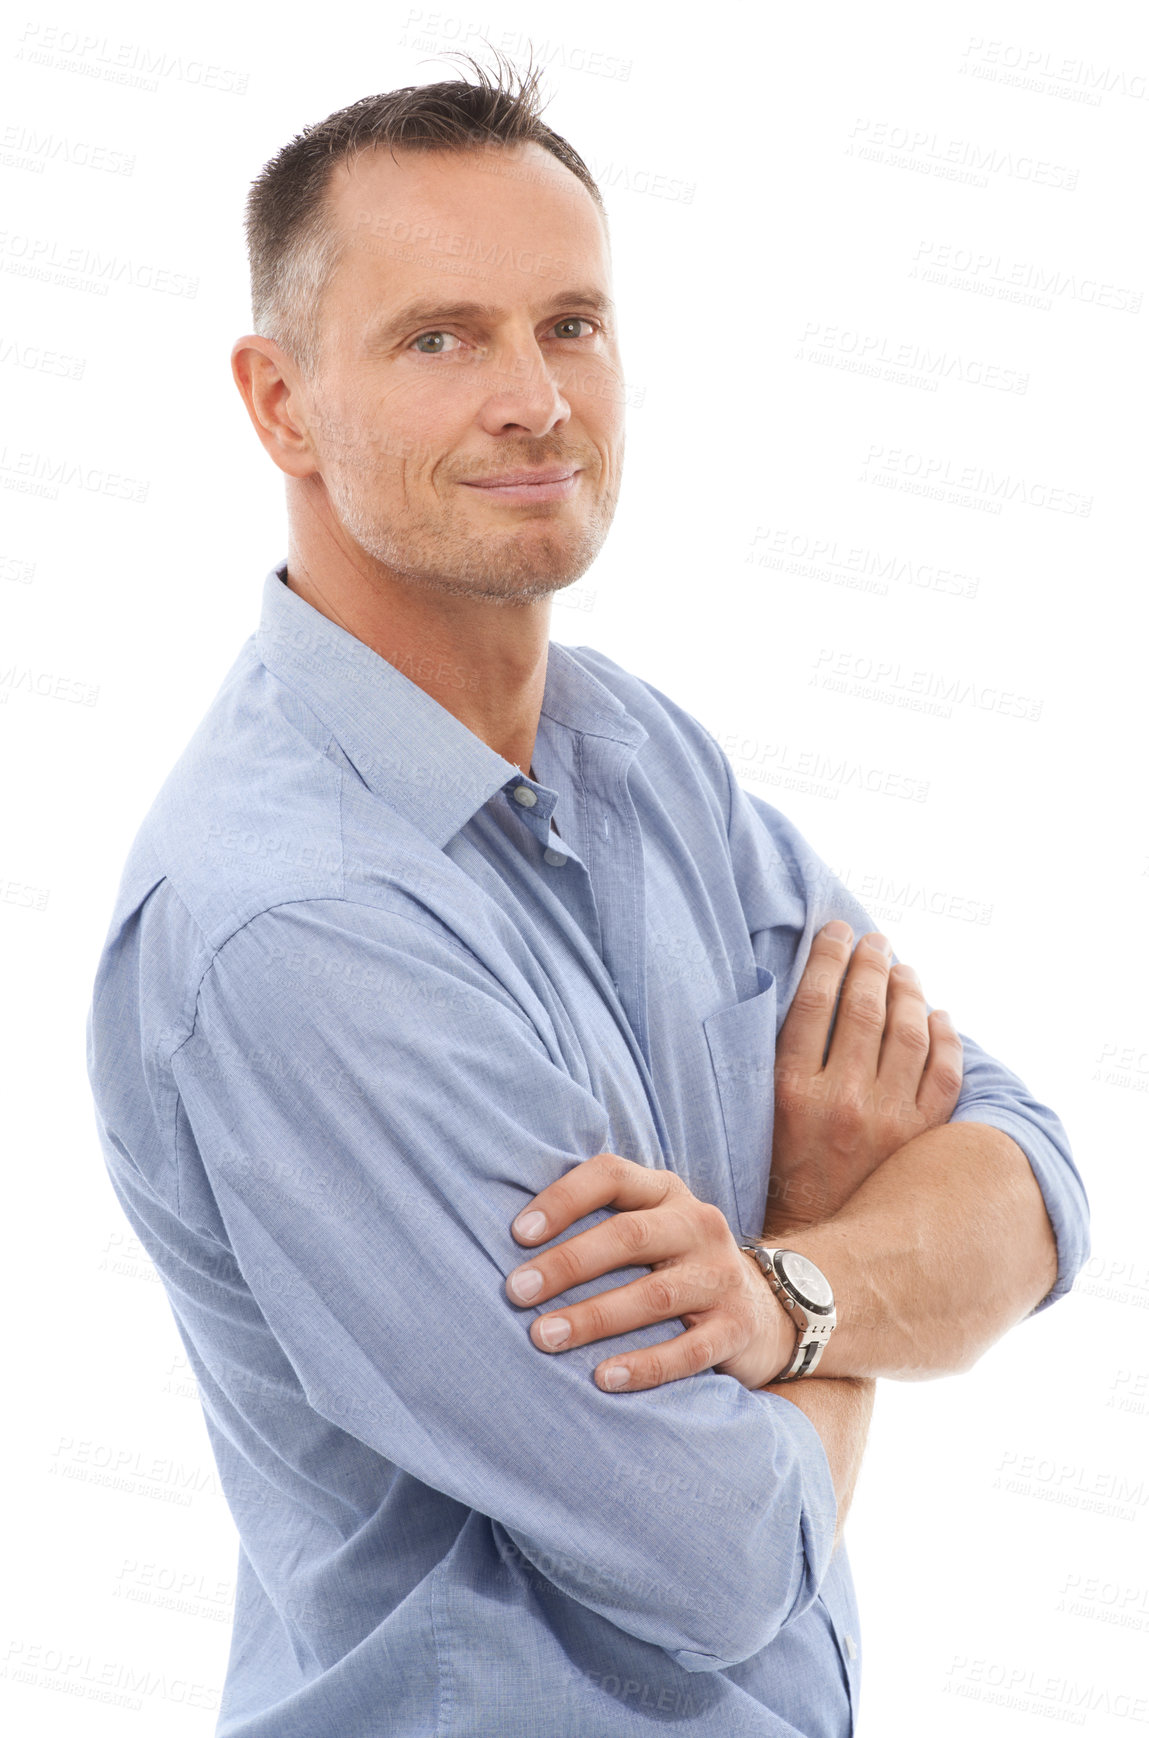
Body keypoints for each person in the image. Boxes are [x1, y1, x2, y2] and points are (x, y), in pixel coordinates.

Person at [86, 56, 1089, 1738]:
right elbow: (714, 1553)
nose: (536, 398)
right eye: (440, 337)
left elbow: (1031, 1176)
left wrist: (783, 1291)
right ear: (277, 404)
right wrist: (841, 1253)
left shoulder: (637, 758)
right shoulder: (292, 927)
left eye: (571, 323)